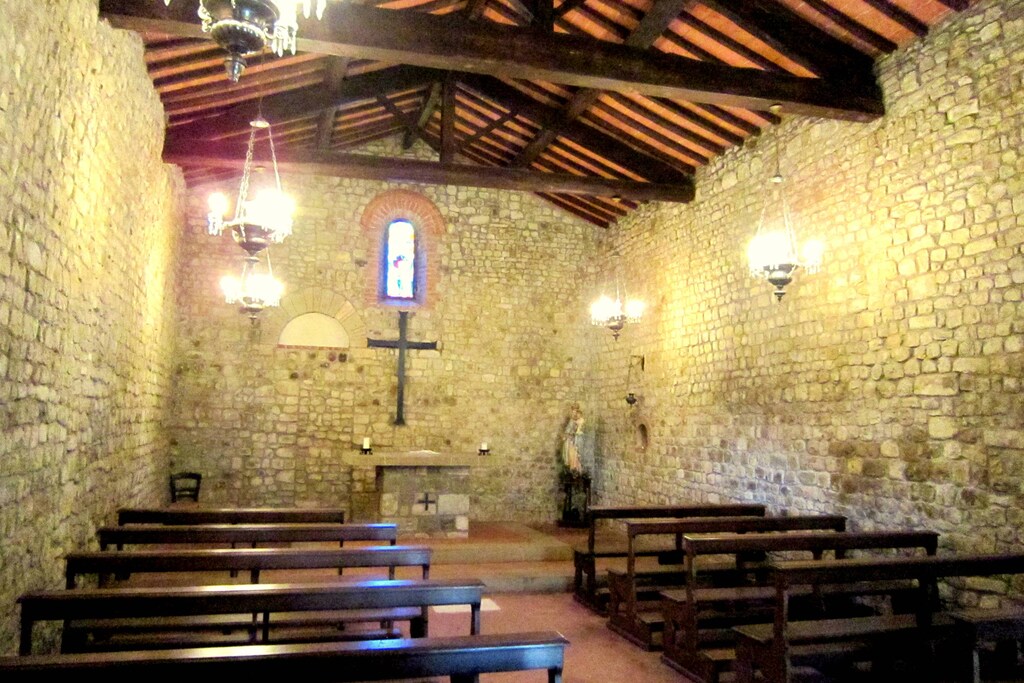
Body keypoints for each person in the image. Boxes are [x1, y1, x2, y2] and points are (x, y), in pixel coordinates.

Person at [561, 403, 584, 474]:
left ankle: (575, 470)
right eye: (573, 411)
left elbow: (577, 431)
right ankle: (572, 470)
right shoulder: (572, 420)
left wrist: (570, 435)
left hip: (575, 440)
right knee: (569, 454)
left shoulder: (579, 421)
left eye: (575, 411)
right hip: (569, 440)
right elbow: (568, 430)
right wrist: (566, 435)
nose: (574, 413)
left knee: (574, 455)